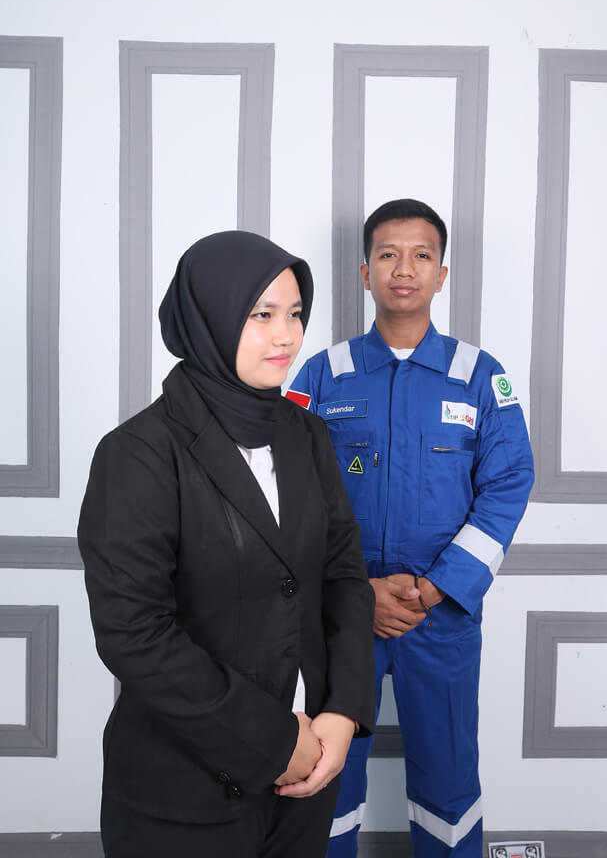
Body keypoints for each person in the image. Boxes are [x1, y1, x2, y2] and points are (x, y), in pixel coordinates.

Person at [78, 230, 375, 858]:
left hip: (306, 783)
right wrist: (275, 741)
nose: (287, 336)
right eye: (261, 315)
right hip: (184, 798)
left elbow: (344, 577)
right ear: (208, 318)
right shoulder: (137, 453)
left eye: (295, 313)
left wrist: (343, 711)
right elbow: (134, 633)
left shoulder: (307, 436)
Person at [288, 200, 534, 857]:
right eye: (388, 255)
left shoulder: (479, 376)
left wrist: (438, 586)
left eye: (421, 255)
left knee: (448, 778)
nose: (404, 269)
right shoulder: (323, 374)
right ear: (365, 272)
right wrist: (353, 593)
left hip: (441, 617)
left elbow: (509, 482)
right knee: (328, 771)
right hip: (342, 616)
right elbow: (286, 491)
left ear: (441, 274)